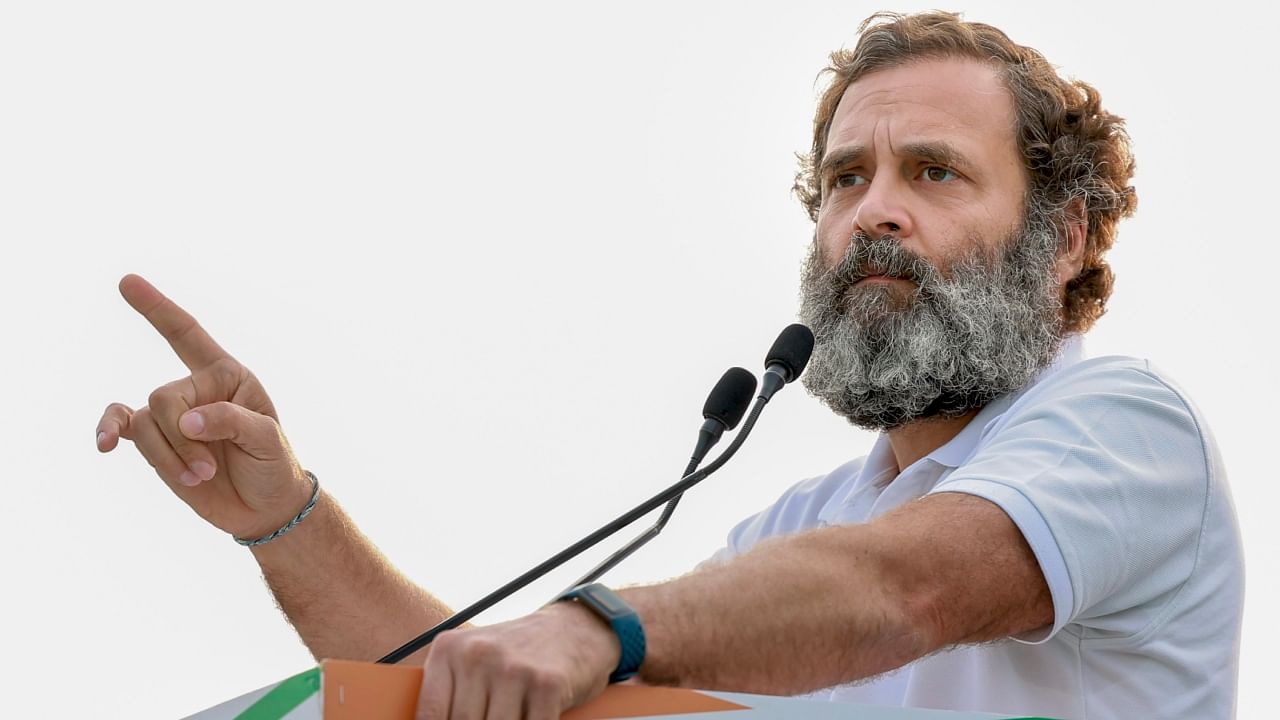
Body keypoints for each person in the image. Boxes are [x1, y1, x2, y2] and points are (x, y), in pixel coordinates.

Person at [96, 11, 1243, 720]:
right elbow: (494, 693)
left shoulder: (1124, 428)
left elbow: (907, 591)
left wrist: (598, 624)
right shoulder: (805, 527)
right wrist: (286, 518)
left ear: (1065, 236)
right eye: (845, 179)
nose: (872, 215)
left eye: (933, 172)